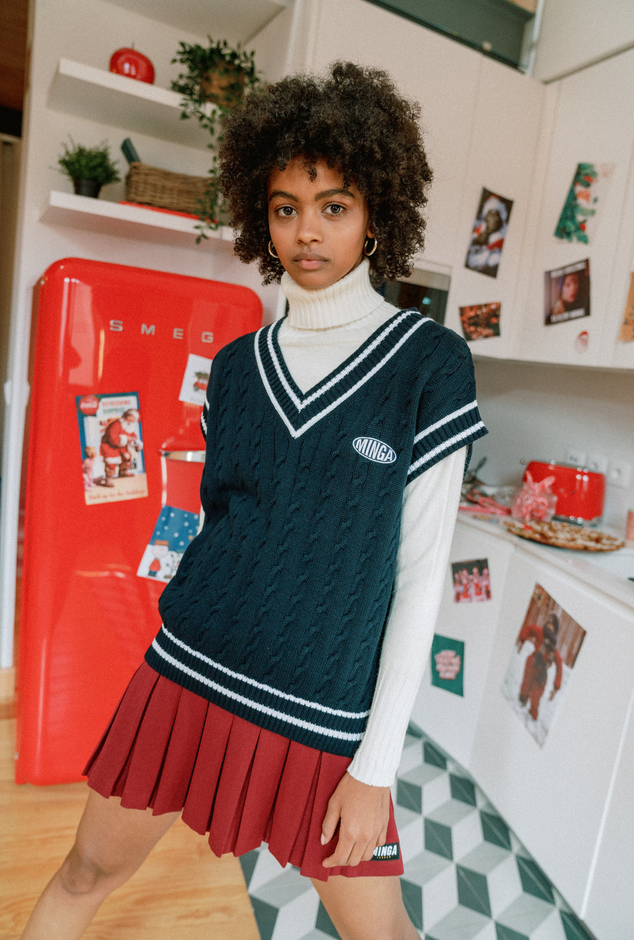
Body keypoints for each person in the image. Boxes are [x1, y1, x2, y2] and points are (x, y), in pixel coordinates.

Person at [19, 63, 487, 940]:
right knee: (84, 872)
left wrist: (375, 768)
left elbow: (420, 577)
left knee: (384, 935)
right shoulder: (235, 370)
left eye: (334, 205)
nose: (307, 231)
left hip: (325, 718)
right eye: (284, 207)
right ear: (259, 216)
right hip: (188, 673)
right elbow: (224, 527)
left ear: (377, 212)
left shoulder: (429, 365)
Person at [517, 612, 563, 721]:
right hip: (532, 663)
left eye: (552, 626)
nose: (550, 627)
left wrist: (556, 686)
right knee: (526, 684)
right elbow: (529, 629)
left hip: (542, 672)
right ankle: (521, 701)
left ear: (555, 630)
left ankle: (533, 714)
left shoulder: (554, 649)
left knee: (536, 695)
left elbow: (559, 666)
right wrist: (522, 639)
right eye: (549, 624)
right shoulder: (540, 632)